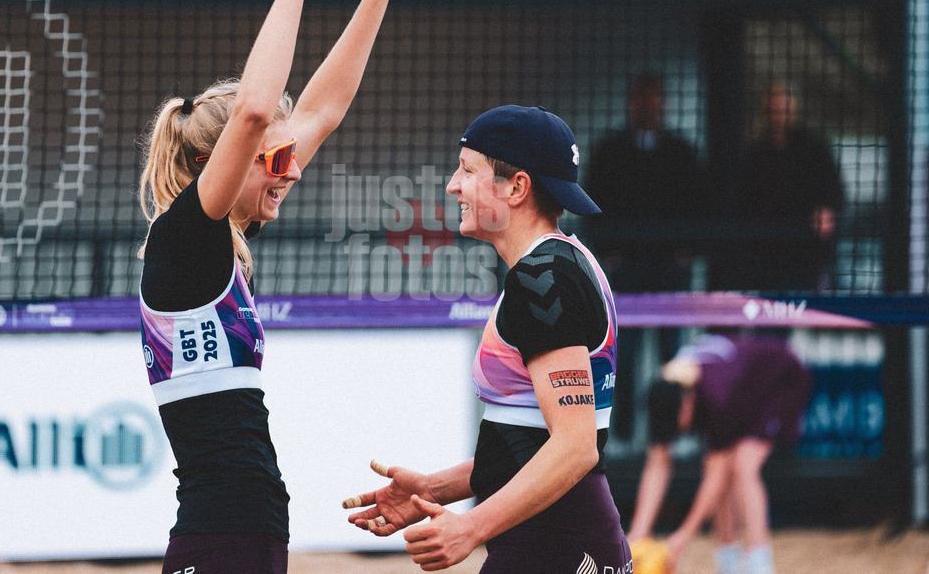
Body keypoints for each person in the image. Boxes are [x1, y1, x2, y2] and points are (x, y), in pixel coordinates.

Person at [136, 0, 420, 573]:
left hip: (246, 526)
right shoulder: (186, 237)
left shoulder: (223, 239)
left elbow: (321, 108)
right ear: (217, 165)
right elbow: (257, 110)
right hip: (220, 531)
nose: (290, 172)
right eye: (273, 160)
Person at [342, 105, 632, 573]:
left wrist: (471, 527)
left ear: (516, 187)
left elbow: (577, 446)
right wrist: (432, 490)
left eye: (467, 170)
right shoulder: (561, 262)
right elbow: (528, 438)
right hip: (559, 537)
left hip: (557, 543)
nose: (453, 185)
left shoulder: (544, 276)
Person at [583, 72, 706, 439]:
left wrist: (688, 251)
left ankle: (670, 432)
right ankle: (621, 432)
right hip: (627, 267)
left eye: (656, 98)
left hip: (670, 267)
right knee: (626, 352)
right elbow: (594, 203)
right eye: (642, 98)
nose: (649, 106)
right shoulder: (611, 151)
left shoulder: (681, 152)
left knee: (673, 351)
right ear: (631, 103)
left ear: (664, 103)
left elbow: (698, 204)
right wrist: (608, 252)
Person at [625, 332, 811, 574]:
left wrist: (681, 539)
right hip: (742, 384)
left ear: (689, 401)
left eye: (678, 424)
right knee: (722, 471)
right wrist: (637, 537)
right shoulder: (665, 392)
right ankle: (729, 561)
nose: (679, 432)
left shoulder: (717, 394)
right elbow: (657, 465)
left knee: (743, 466)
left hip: (781, 377)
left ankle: (759, 562)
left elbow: (716, 476)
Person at [735, 82, 844, 293]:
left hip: (805, 254)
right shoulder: (754, 153)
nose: (778, 117)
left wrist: (826, 211)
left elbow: (832, 191)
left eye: (782, 111)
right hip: (764, 256)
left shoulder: (814, 149)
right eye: (772, 111)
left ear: (793, 111)